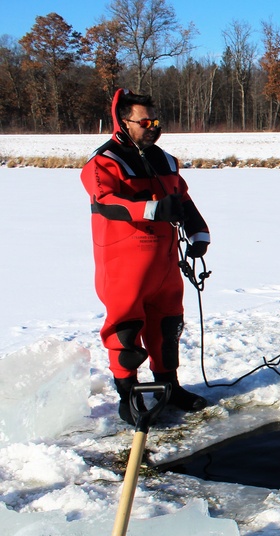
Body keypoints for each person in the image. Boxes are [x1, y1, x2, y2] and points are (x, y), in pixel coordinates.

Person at [82, 88, 211, 425]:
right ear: (123, 122)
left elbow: (182, 198)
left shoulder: (164, 159)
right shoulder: (104, 161)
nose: (153, 127)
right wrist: (151, 209)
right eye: (145, 122)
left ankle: (170, 386)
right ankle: (129, 394)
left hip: (165, 263)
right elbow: (106, 201)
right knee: (126, 328)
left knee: (168, 326)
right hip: (125, 265)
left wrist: (199, 232)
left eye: (156, 121)